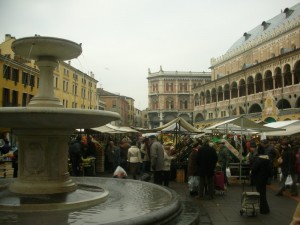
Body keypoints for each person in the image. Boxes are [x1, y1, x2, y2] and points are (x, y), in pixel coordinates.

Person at [251, 144, 272, 214]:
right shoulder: (267, 159)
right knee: (263, 193)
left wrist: (252, 173)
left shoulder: (259, 159)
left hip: (259, 178)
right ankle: (265, 208)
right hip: (265, 178)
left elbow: (254, 169)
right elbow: (270, 170)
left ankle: (264, 209)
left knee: (260, 194)